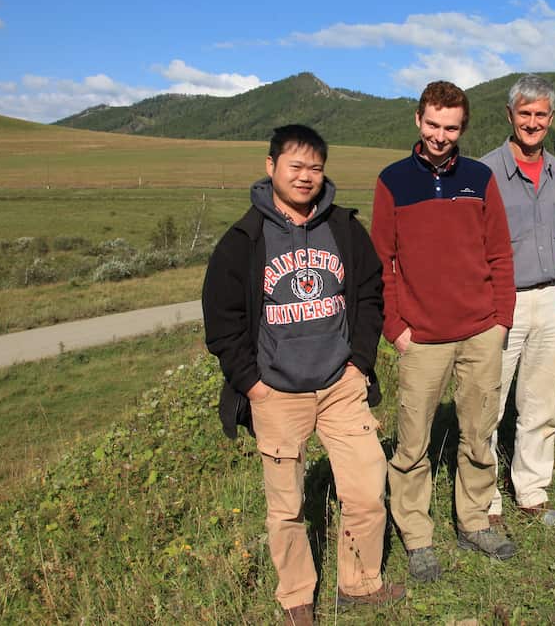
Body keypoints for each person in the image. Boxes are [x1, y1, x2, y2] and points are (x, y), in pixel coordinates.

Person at [202, 125, 404, 625]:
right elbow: (222, 323)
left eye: (315, 167)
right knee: (287, 505)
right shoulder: (243, 241)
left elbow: (369, 295)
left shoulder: (344, 230)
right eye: (295, 166)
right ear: (271, 167)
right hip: (276, 394)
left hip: (340, 387)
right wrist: (252, 385)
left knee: (364, 487)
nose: (305, 176)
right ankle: (296, 597)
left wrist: (360, 363)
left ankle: (360, 583)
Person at [371, 80, 518, 582]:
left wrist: (502, 319)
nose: (440, 135)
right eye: (433, 124)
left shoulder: (480, 178)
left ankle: (474, 522)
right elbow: (381, 263)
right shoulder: (392, 181)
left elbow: (499, 252)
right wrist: (395, 327)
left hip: (480, 330)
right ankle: (416, 534)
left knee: (478, 433)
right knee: (413, 443)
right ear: (417, 120)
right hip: (422, 336)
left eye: (450, 127)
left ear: (463, 128)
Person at [479, 75, 555, 528]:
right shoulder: (484, 172)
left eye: (541, 115)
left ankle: (531, 488)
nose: (532, 122)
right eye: (524, 113)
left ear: (550, 119)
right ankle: (484, 496)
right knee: (488, 404)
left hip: (552, 298)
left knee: (540, 403)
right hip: (503, 301)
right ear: (510, 115)